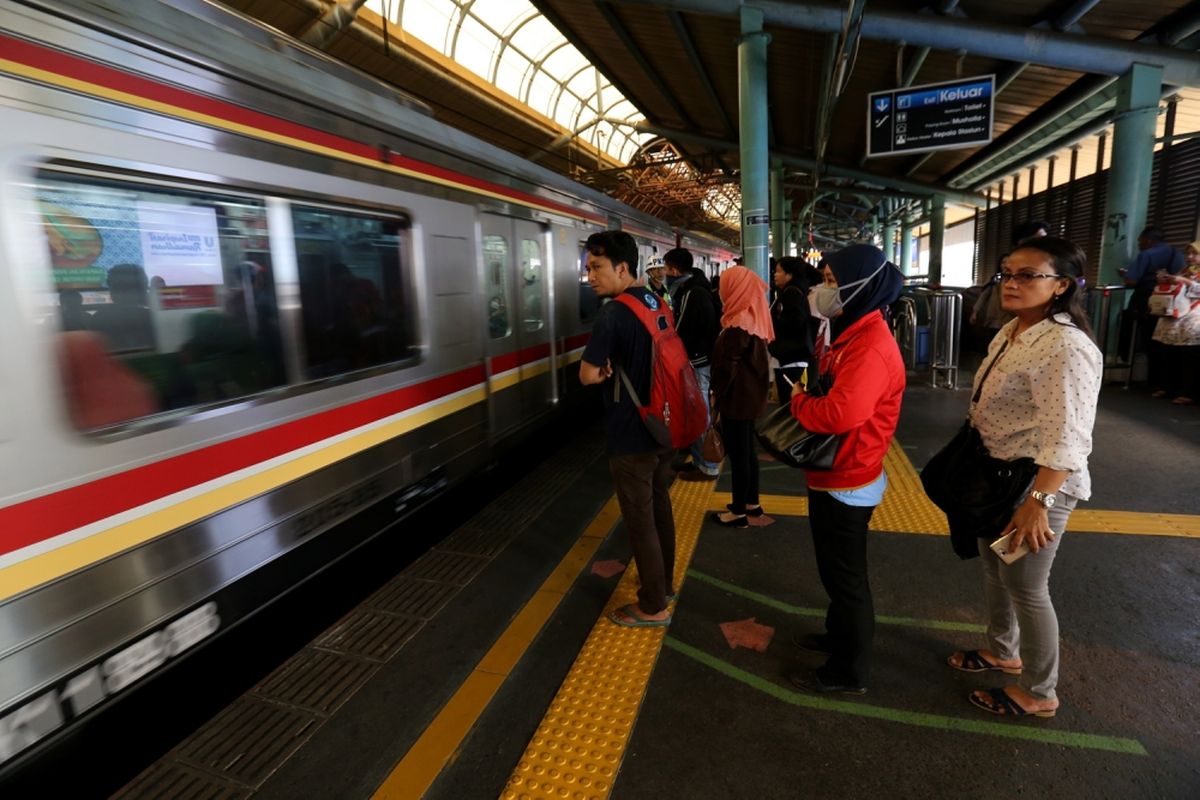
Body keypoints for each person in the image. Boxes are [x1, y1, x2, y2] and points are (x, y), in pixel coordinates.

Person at [946, 236, 1101, 718]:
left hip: (1035, 487)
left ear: (1062, 286)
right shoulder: (1013, 329)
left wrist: (1038, 502)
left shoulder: (1065, 346)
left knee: (1029, 588)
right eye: (1007, 273)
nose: (1012, 283)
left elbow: (1069, 438)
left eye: (1028, 275)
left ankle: (1040, 692)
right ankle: (1002, 652)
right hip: (1000, 478)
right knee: (997, 571)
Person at [786, 244, 905, 695]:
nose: (823, 288)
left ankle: (848, 671)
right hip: (840, 470)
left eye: (833, 280)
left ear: (861, 285)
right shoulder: (855, 331)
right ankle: (837, 638)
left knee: (847, 580)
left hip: (848, 475)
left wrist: (798, 401)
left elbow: (839, 414)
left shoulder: (870, 346)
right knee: (836, 574)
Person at [579, 230, 676, 627]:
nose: (590, 276)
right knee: (660, 507)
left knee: (639, 520)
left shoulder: (613, 312)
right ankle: (664, 583)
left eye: (597, 267)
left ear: (622, 268)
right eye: (587, 268)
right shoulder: (657, 300)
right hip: (663, 425)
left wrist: (600, 371)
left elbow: (586, 375)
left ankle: (653, 606)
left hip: (631, 432)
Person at [709, 266, 773, 528]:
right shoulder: (752, 316)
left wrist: (716, 394)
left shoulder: (738, 325)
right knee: (747, 453)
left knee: (739, 455)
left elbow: (727, 366)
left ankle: (737, 512)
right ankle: (751, 503)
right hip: (750, 398)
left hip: (737, 400)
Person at [663, 247, 721, 480]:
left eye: (666, 269)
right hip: (702, 359)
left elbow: (681, 331)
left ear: (675, 270)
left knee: (699, 412)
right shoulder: (698, 289)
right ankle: (700, 460)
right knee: (698, 410)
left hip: (697, 361)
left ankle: (707, 466)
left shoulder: (691, 294)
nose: (665, 274)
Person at [1148, 240, 1200, 405]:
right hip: (1174, 317)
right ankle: (1167, 387)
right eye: (1188, 253)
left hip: (1192, 318)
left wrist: (1186, 282)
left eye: (1195, 253)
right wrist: (1168, 279)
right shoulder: (1185, 270)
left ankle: (1186, 391)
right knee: (1168, 353)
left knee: (1188, 357)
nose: (1190, 257)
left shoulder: (1189, 274)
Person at [1119, 227, 1184, 359]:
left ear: (1148, 241)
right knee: (1163, 342)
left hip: (1148, 302)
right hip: (1171, 304)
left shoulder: (1146, 254)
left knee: (1147, 337)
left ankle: (1129, 360)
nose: (1139, 245)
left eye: (1140, 241)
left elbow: (1131, 280)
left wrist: (1125, 275)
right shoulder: (1176, 253)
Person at [769, 257, 820, 405]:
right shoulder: (796, 291)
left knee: (790, 404)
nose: (774, 274)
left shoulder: (790, 293)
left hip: (790, 356)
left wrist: (773, 325)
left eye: (778, 271)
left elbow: (796, 320)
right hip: (794, 357)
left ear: (789, 275)